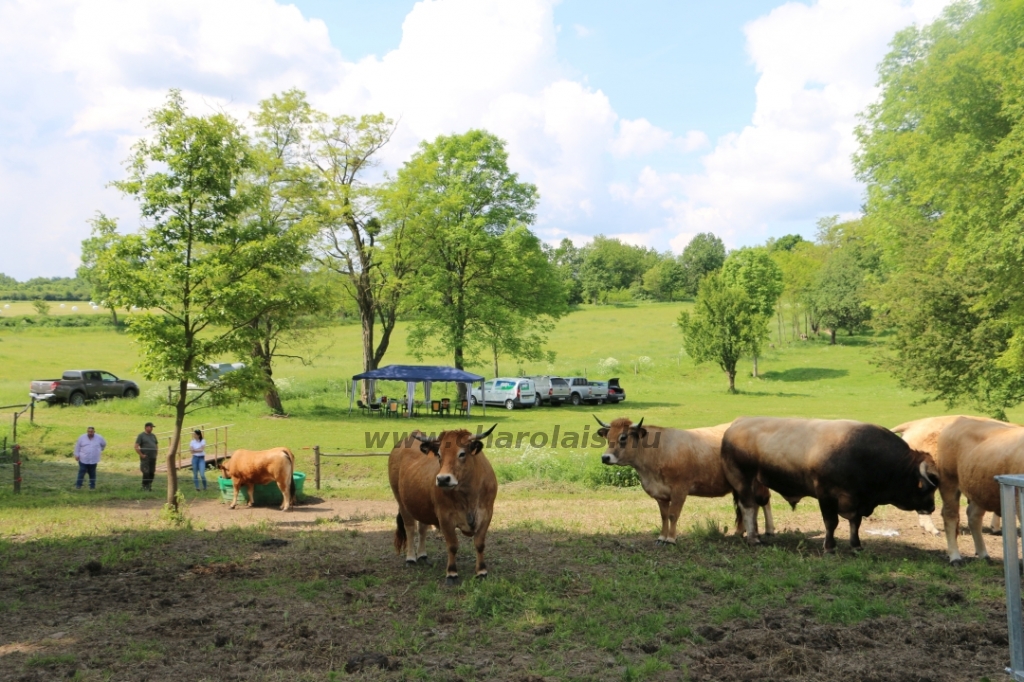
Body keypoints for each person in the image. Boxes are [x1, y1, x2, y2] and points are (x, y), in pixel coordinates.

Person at [134, 422, 159, 491]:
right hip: (146, 457)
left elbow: (156, 444)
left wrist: (156, 452)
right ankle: (144, 486)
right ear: (146, 427)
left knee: (152, 472)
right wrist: (141, 455)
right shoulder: (141, 436)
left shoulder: (153, 436)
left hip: (153, 457)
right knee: (146, 471)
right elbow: (136, 446)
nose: (151, 429)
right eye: (150, 427)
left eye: (152, 427)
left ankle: (149, 485)